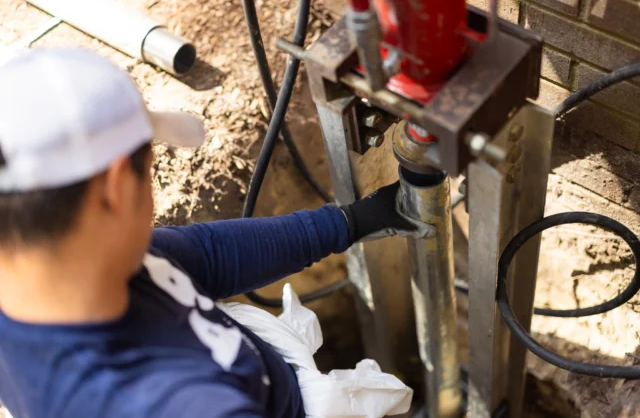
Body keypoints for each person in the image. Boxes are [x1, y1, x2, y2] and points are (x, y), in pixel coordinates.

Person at [0, 48, 418, 418]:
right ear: (115, 189)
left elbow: (206, 255)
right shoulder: (170, 403)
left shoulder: (64, 266)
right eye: (151, 170)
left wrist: (351, 222)